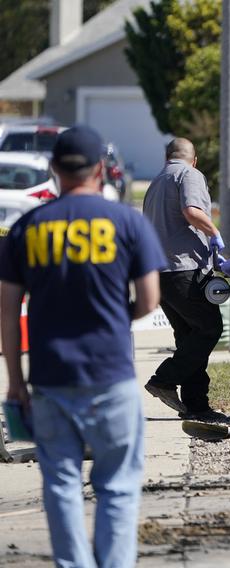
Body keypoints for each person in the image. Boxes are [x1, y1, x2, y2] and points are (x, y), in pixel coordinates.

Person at [0, 125, 166, 567]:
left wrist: (15, 383)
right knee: (116, 484)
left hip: (52, 380)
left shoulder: (26, 229)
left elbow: (6, 312)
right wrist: (113, 316)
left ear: (53, 169)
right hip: (110, 376)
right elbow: (150, 299)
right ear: (100, 170)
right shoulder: (128, 222)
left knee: (60, 483)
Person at [142, 138, 227, 421]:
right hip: (183, 270)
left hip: (159, 272)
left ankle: (196, 406)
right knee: (209, 328)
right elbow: (192, 211)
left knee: (189, 339)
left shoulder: (156, 182)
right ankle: (164, 379)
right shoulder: (188, 174)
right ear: (195, 159)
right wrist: (214, 233)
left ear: (166, 157)